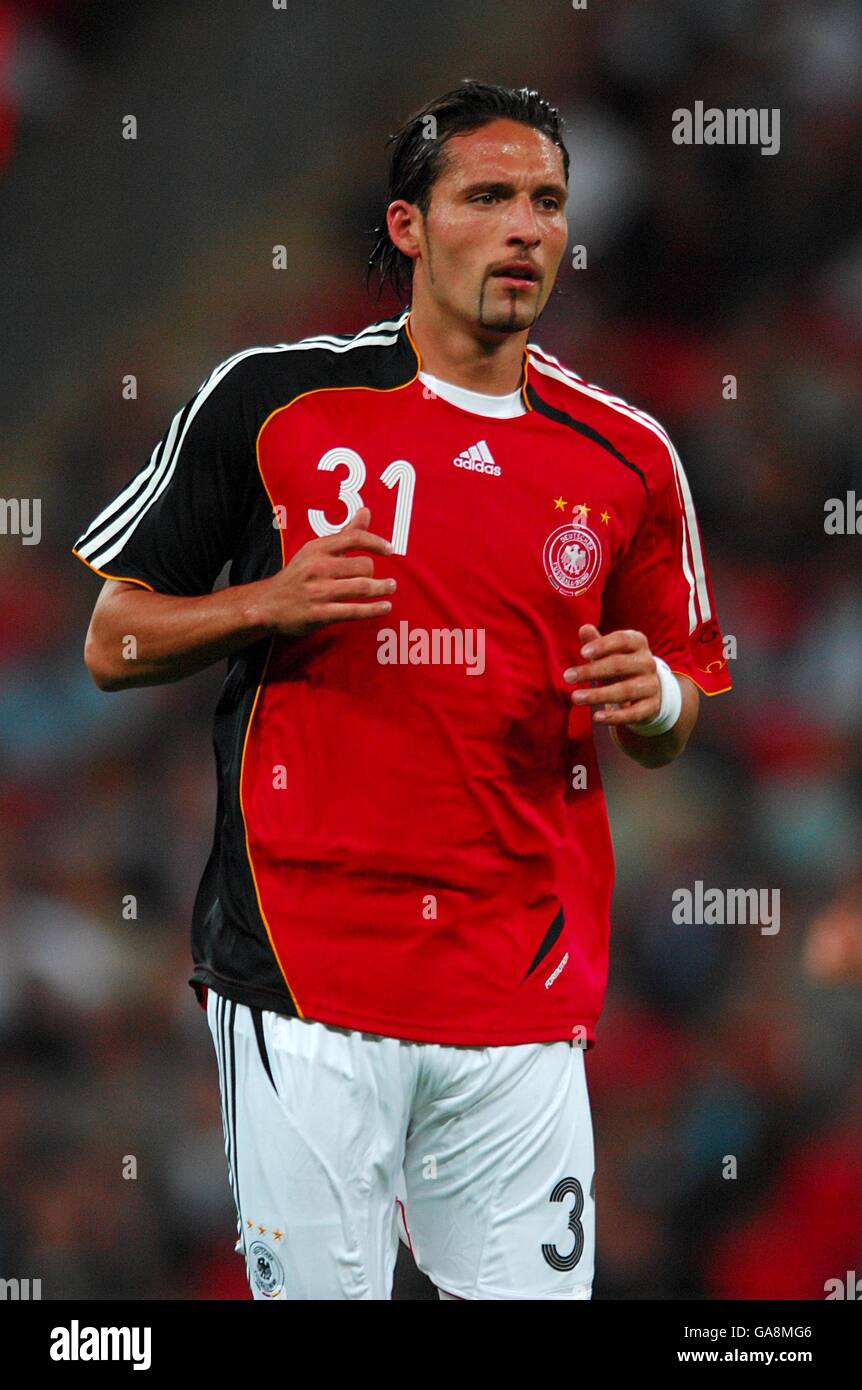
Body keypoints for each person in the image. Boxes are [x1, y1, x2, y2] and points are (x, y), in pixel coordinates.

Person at [73, 80, 732, 1300]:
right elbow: (112, 641)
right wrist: (262, 603)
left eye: (545, 200)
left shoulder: (629, 456)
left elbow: (683, 701)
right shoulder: (272, 403)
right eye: (487, 196)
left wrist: (656, 704)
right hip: (305, 970)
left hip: (521, 980)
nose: (525, 226)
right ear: (408, 227)